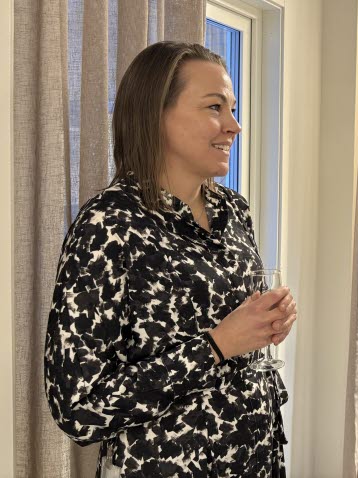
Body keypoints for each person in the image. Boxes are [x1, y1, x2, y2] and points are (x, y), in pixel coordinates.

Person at [44, 42, 297, 478]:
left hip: (256, 458)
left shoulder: (234, 210)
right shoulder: (109, 223)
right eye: (215, 107)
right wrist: (216, 346)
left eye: (233, 109)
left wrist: (267, 324)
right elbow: (78, 408)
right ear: (155, 114)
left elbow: (237, 331)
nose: (234, 125)